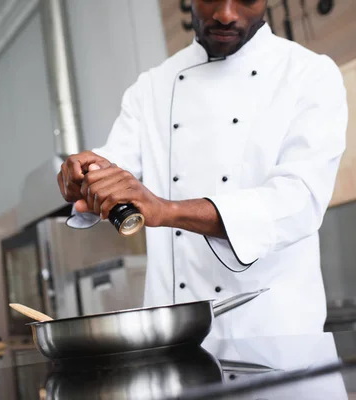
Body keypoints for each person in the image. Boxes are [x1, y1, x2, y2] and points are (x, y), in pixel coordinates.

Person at [57, 0, 348, 339]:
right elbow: (115, 168)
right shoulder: (151, 87)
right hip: (173, 338)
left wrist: (168, 211)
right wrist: (87, 176)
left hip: (276, 335)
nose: (225, 13)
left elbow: (298, 201)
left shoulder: (308, 74)